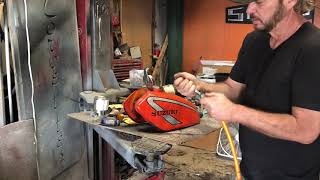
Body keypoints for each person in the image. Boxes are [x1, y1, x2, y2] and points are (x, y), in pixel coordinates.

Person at [174, 0, 320, 179]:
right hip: (249, 171)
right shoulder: (254, 40)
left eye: (259, 2)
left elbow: (305, 130)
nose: (249, 9)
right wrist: (199, 86)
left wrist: (234, 112)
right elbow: (232, 90)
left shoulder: (313, 48)